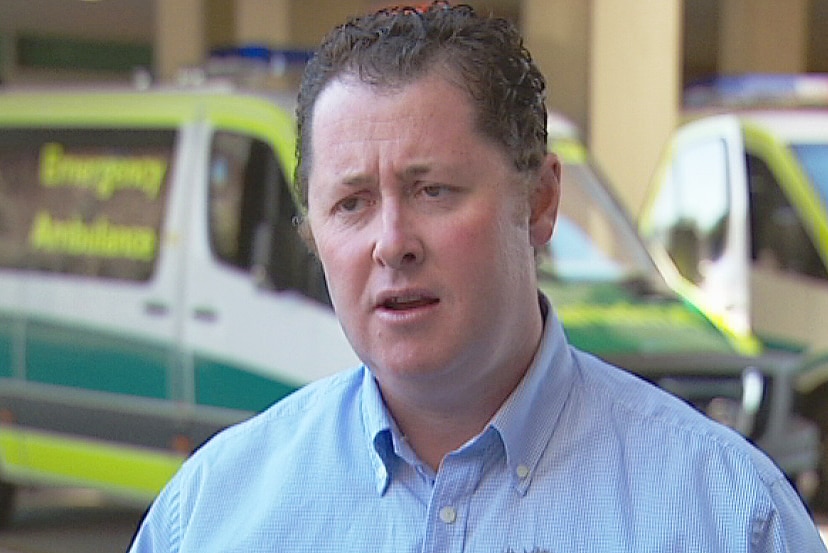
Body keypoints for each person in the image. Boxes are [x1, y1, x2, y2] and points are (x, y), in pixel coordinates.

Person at [129, 3, 827, 551]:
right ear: (311, 231)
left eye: (433, 190)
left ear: (540, 201)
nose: (391, 243)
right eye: (352, 203)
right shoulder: (213, 513)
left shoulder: (731, 516)